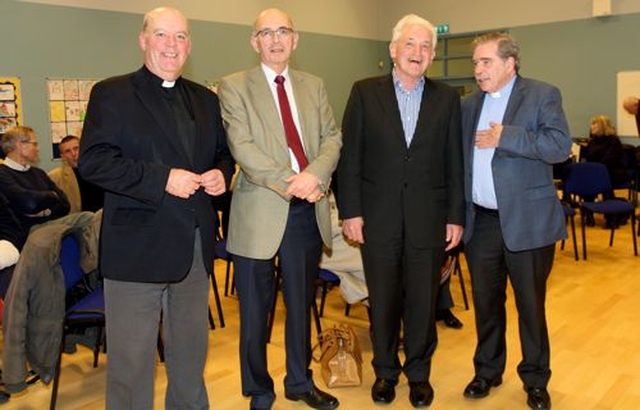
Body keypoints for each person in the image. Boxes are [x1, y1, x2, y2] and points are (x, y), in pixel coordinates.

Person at [78, 7, 235, 409]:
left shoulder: (204, 99)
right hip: (136, 251)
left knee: (189, 357)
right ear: (143, 39)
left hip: (194, 250)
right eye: (162, 35)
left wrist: (220, 174)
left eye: (181, 37)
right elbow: (95, 161)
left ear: (190, 45)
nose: (172, 45)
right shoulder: (111, 93)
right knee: (131, 365)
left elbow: (222, 155)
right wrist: (162, 178)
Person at [337, 14, 464, 408]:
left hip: (430, 220)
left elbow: (454, 162)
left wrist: (456, 215)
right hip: (378, 219)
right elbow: (350, 159)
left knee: (424, 303)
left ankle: (419, 375)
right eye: (410, 44)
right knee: (384, 301)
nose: (418, 52)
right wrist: (351, 212)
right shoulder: (363, 92)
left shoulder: (447, 98)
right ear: (393, 50)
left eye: (426, 46)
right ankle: (386, 372)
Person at [218, 8, 342, 410]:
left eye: (283, 31)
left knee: (300, 303)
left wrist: (315, 175)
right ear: (255, 42)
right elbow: (243, 149)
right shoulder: (234, 86)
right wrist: (297, 182)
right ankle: (259, 388)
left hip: (307, 213)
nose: (275, 39)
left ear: (295, 39)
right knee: (255, 310)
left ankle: (300, 382)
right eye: (266, 33)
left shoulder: (314, 85)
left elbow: (332, 138)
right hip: (260, 209)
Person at [460, 32, 571, 410]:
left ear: (510, 63)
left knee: (530, 306)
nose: (477, 70)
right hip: (482, 224)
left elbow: (558, 146)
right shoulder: (468, 105)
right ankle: (487, 371)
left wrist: (507, 136)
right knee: (486, 304)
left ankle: (536, 380)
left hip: (529, 222)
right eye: (475, 63)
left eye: (485, 62)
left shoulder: (542, 95)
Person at [0, 126, 70, 233]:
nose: (37, 149)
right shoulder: (3, 173)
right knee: (86, 218)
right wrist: (53, 195)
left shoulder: (39, 173)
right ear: (20, 145)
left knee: (94, 218)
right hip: (28, 233)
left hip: (52, 225)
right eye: (34, 144)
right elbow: (28, 203)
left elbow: (65, 205)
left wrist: (45, 212)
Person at [48, 135, 104, 213]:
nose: (73, 154)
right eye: (68, 151)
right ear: (63, 156)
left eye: (76, 148)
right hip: (79, 220)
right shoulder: (56, 177)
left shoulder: (99, 170)